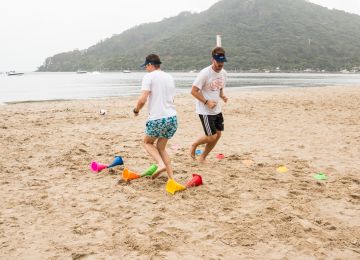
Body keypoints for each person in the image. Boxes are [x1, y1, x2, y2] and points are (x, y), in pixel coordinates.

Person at [133, 54, 177, 180]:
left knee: (147, 142)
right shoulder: (169, 77)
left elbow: (142, 99)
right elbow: (172, 97)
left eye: (146, 66)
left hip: (158, 118)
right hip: (172, 118)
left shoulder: (149, 77)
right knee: (161, 148)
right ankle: (171, 178)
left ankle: (161, 164)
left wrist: (136, 110)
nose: (146, 69)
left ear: (150, 65)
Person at [190, 47, 228, 162]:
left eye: (222, 62)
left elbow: (220, 87)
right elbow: (193, 91)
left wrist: (222, 95)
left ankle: (203, 157)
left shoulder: (224, 73)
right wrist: (206, 102)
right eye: (218, 61)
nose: (220, 64)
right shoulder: (205, 73)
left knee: (218, 135)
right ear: (213, 60)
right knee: (211, 136)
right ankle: (194, 145)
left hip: (217, 109)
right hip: (205, 110)